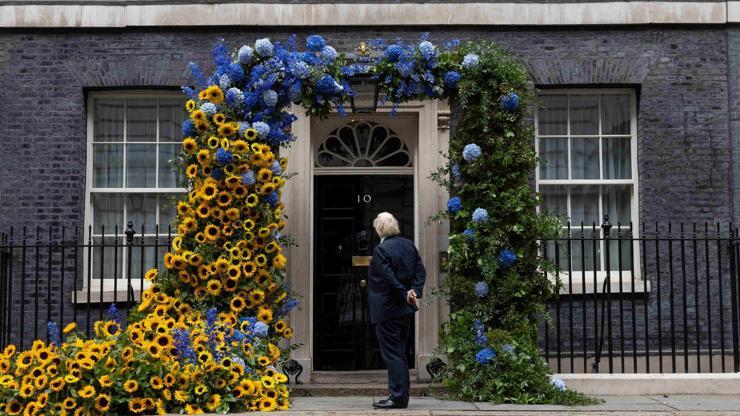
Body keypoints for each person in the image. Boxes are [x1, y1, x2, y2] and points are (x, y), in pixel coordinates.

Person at [367, 212, 427, 409]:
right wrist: (413, 292)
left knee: (393, 354)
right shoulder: (409, 245)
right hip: (404, 309)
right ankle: (399, 395)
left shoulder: (381, 250)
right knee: (399, 352)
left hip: (387, 310)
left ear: (379, 229)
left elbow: (389, 279)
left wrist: (404, 293)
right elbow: (420, 270)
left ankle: (398, 397)